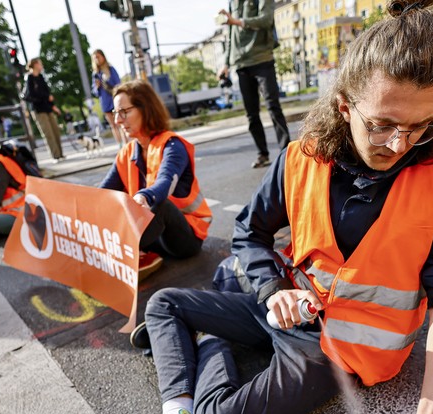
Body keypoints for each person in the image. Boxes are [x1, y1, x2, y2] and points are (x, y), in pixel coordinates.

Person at [72, 0, 433, 414]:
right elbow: (250, 230)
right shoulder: (301, 157)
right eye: (381, 124)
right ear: (344, 106)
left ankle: (199, 376)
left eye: (421, 125)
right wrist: (271, 291)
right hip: (290, 308)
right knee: (164, 303)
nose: (400, 143)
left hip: (340, 350)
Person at [97, 80, 213, 278]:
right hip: (155, 236)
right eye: (116, 113)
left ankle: (116, 257)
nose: (117, 120)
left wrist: (145, 196)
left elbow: (165, 182)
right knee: (106, 206)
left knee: (160, 205)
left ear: (145, 109)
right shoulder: (126, 154)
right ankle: (121, 255)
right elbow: (102, 194)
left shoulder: (173, 146)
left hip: (186, 238)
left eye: (124, 112)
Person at [218, 0, 291, 169]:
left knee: (273, 106)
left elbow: (266, 20)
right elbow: (231, 34)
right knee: (251, 113)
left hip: (261, 58)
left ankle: (286, 152)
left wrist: (236, 21)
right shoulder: (233, 2)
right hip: (241, 63)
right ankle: (263, 154)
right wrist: (226, 63)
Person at [23, 58, 64, 161]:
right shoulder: (29, 78)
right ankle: (55, 156)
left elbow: (47, 93)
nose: (42, 65)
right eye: (40, 64)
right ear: (35, 65)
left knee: (55, 130)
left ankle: (61, 153)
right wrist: (45, 96)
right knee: (48, 133)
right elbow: (31, 95)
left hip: (48, 107)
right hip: (38, 109)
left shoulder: (41, 77)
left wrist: (53, 106)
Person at [91, 49, 125, 149]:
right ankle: (120, 145)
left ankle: (126, 143)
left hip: (115, 100)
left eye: (98, 57)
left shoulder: (110, 69)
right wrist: (97, 87)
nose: (97, 59)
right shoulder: (95, 74)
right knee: (113, 125)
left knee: (120, 122)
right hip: (105, 102)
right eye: (95, 58)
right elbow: (95, 92)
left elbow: (118, 83)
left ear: (103, 56)